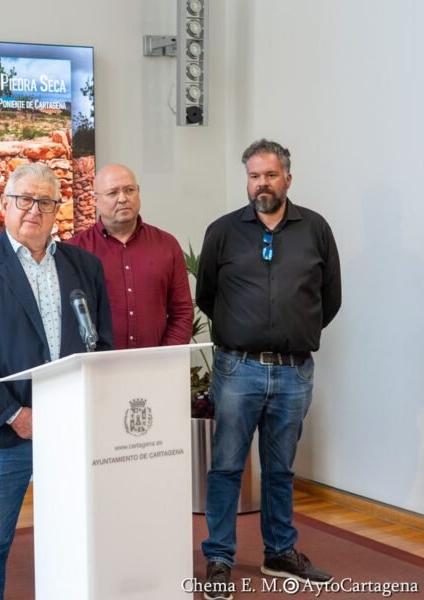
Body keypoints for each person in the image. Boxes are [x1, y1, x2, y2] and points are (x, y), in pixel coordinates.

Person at [0, 163, 113, 600]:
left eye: (44, 202)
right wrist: (14, 415)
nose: (33, 210)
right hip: (8, 431)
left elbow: (103, 346)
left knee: (79, 532)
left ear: (57, 209)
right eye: (24, 200)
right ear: (5, 204)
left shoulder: (86, 266)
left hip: (75, 431)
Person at [196, 139, 341, 600]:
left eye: (271, 175)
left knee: (280, 469)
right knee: (226, 467)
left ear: (288, 180)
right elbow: (208, 297)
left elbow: (329, 298)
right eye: (255, 175)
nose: (262, 183)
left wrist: (293, 331)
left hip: (294, 373)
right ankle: (219, 557)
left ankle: (280, 551)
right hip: (237, 369)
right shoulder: (222, 231)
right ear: (248, 180)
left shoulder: (315, 229)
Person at [68, 163, 192, 349]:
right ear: (95, 200)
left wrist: (166, 356)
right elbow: (67, 319)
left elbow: (182, 311)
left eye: (129, 190)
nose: (123, 199)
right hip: (98, 368)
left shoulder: (167, 245)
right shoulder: (74, 250)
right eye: (112, 193)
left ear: (138, 192)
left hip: (157, 366)